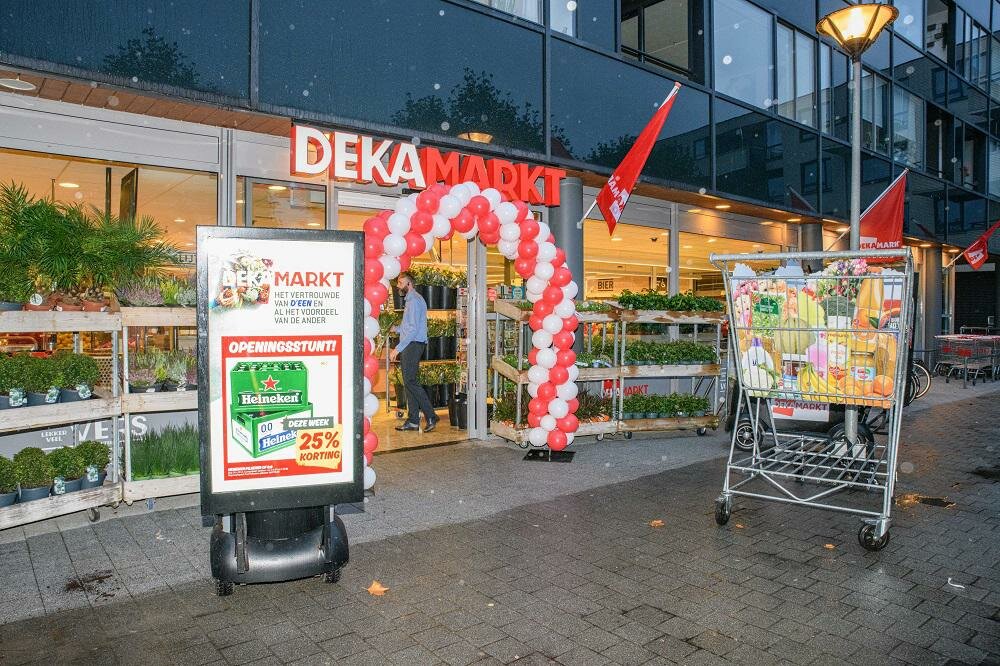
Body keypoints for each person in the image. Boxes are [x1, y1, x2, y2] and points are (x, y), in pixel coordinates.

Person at [390, 272, 439, 432]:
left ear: (409, 284)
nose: (398, 286)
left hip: (413, 344)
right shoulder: (411, 300)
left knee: (410, 382)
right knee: (408, 382)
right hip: (412, 344)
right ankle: (413, 421)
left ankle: (431, 415)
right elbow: (409, 326)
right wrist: (396, 329)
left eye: (401, 283)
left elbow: (412, 330)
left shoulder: (414, 301)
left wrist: (397, 348)